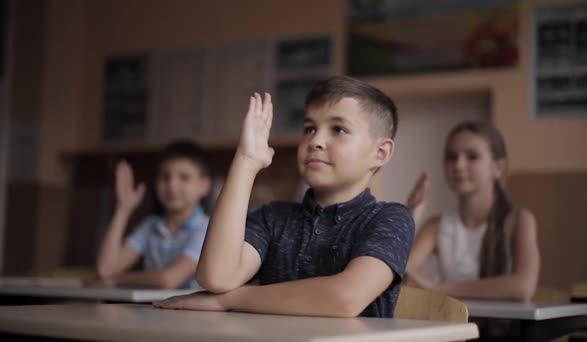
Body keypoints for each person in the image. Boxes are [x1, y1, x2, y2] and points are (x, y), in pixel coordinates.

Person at [154, 76, 414, 317]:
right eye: (309, 129)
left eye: (338, 130)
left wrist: (229, 300)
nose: (315, 141)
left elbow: (345, 298)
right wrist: (246, 163)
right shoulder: (273, 217)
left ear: (380, 153)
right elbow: (216, 277)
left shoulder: (391, 219)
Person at [405, 121, 539, 301]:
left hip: (506, 329)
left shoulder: (520, 219)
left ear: (498, 168)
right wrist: (409, 216)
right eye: (452, 157)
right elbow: (401, 272)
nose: (459, 165)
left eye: (472, 156)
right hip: (456, 327)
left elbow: (522, 287)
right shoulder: (436, 225)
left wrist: (438, 289)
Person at [96, 140, 212, 289]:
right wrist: (123, 210)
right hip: (152, 310)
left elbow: (169, 280)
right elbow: (105, 269)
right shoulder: (150, 226)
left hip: (191, 312)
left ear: (204, 186)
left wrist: (115, 279)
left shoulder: (207, 229)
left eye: (184, 177)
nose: (172, 185)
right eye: (165, 177)